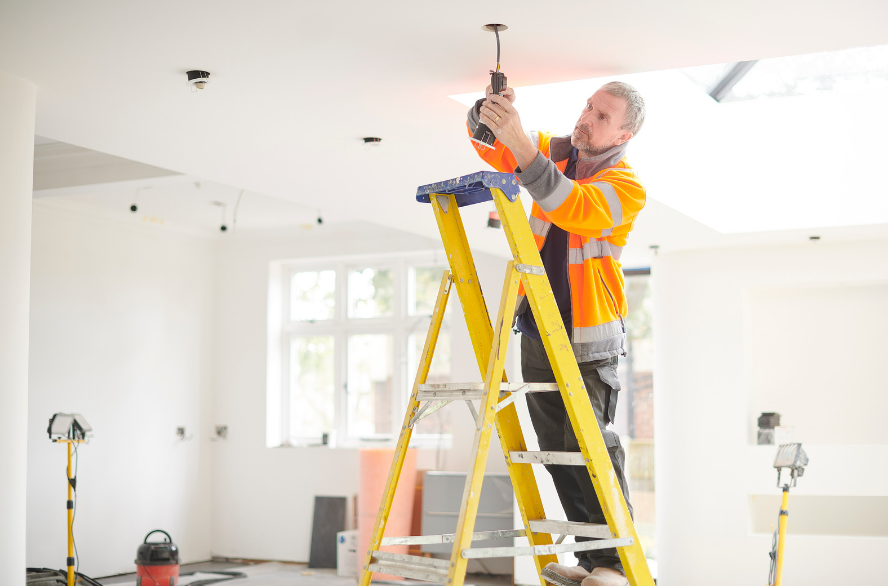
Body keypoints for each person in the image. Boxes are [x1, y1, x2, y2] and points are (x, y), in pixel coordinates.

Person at [466, 81, 646, 586]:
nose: (587, 116)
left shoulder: (627, 187)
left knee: (591, 449)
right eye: (588, 106)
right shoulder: (555, 153)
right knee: (555, 449)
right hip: (539, 327)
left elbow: (568, 205)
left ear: (623, 133)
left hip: (589, 337)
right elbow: (490, 145)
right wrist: (490, 113)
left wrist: (520, 142)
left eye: (602, 115)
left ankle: (617, 564)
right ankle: (594, 561)